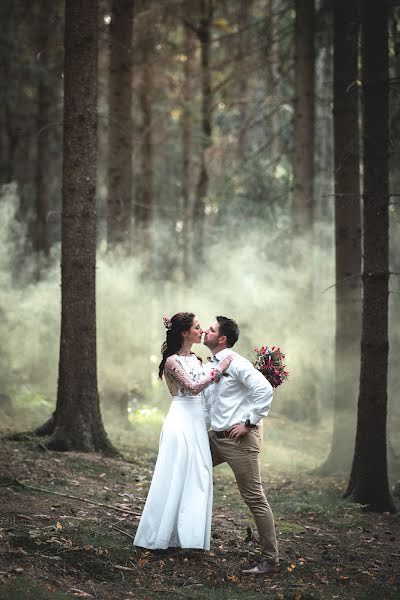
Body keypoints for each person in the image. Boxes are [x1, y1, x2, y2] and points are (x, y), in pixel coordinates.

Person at [133, 312, 233, 550]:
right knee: (175, 475)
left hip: (197, 423)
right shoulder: (171, 362)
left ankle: (189, 537)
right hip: (180, 421)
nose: (201, 331)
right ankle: (160, 535)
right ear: (184, 333)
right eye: (197, 327)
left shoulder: (198, 360)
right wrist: (220, 369)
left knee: (198, 476)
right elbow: (193, 387)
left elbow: (208, 391)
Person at [203, 316, 279, 575]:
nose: (205, 331)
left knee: (254, 497)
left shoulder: (236, 363)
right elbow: (209, 405)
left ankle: (270, 560)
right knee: (188, 469)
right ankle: (185, 537)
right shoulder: (213, 365)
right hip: (216, 438)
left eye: (211, 330)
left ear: (222, 339)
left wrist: (249, 422)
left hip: (239, 441)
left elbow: (264, 389)